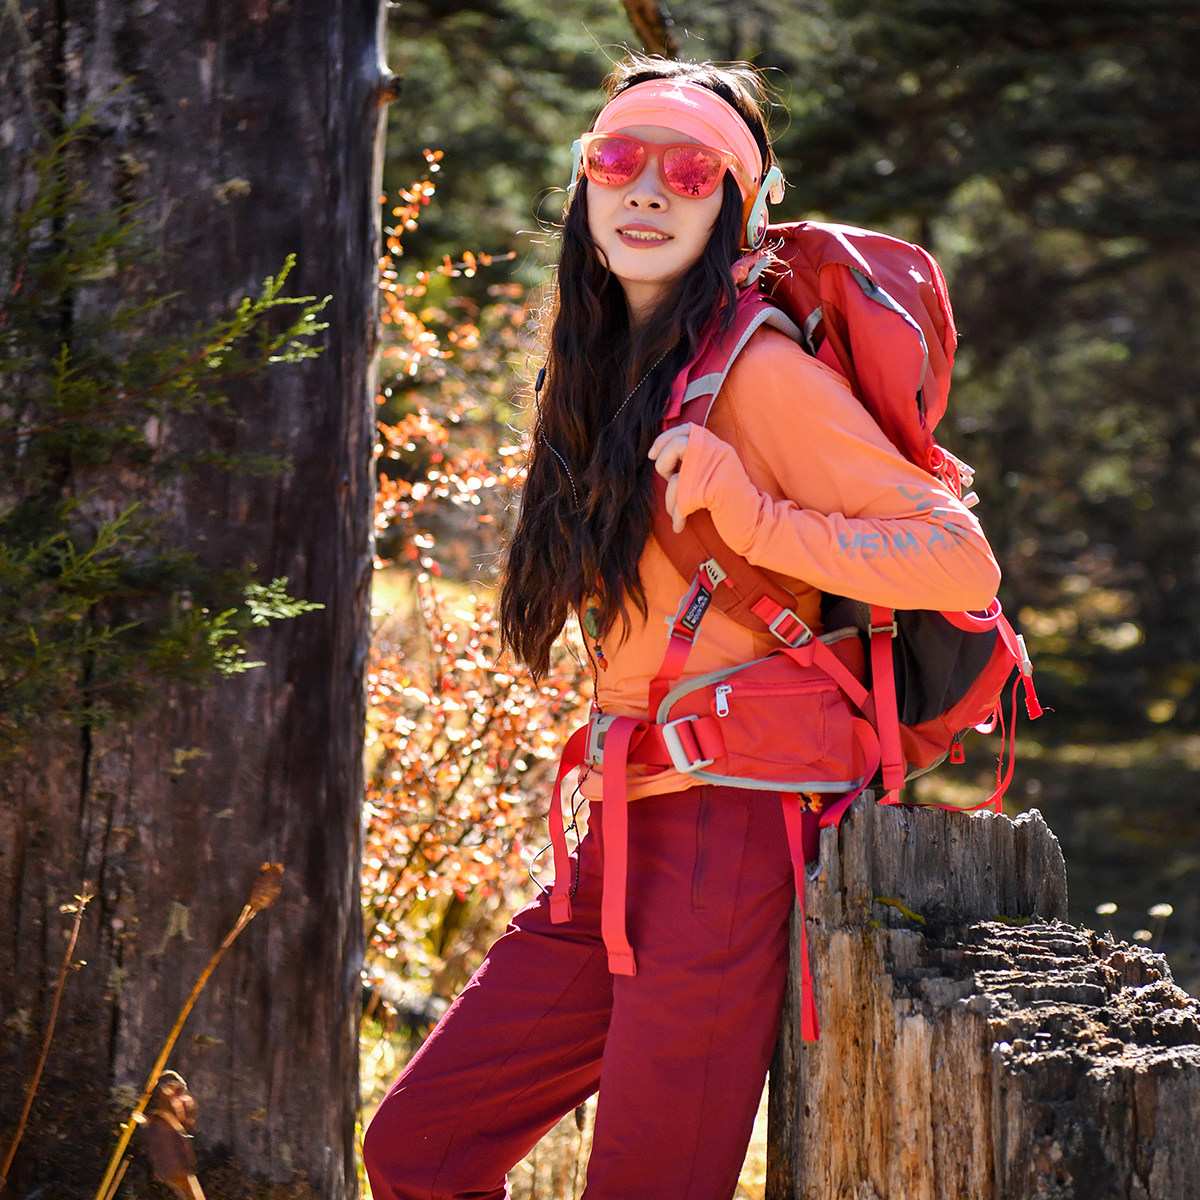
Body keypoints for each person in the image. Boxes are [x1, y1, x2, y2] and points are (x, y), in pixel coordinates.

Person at [363, 54, 1000, 1200]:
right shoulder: (609, 367)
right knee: (419, 1150)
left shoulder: (757, 373)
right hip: (626, 828)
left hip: (734, 832)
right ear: (585, 189)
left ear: (734, 206)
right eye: (618, 158)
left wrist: (751, 510)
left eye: (690, 170)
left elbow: (956, 556)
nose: (647, 189)